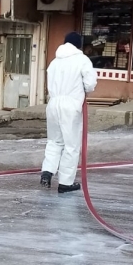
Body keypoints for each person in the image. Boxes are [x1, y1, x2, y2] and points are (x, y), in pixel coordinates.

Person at [40, 32, 98, 193]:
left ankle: (47, 172)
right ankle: (65, 182)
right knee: (71, 145)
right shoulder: (82, 60)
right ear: (78, 45)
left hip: (53, 103)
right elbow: (90, 84)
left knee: (54, 141)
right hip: (71, 105)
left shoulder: (54, 62)